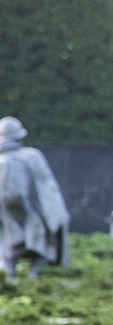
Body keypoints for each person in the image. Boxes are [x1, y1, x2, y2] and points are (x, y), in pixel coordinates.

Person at [0, 117, 69, 278]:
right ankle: (35, 271)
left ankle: (9, 272)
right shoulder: (32, 156)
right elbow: (47, 189)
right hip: (31, 210)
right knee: (39, 236)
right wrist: (56, 214)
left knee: (9, 239)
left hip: (7, 215)